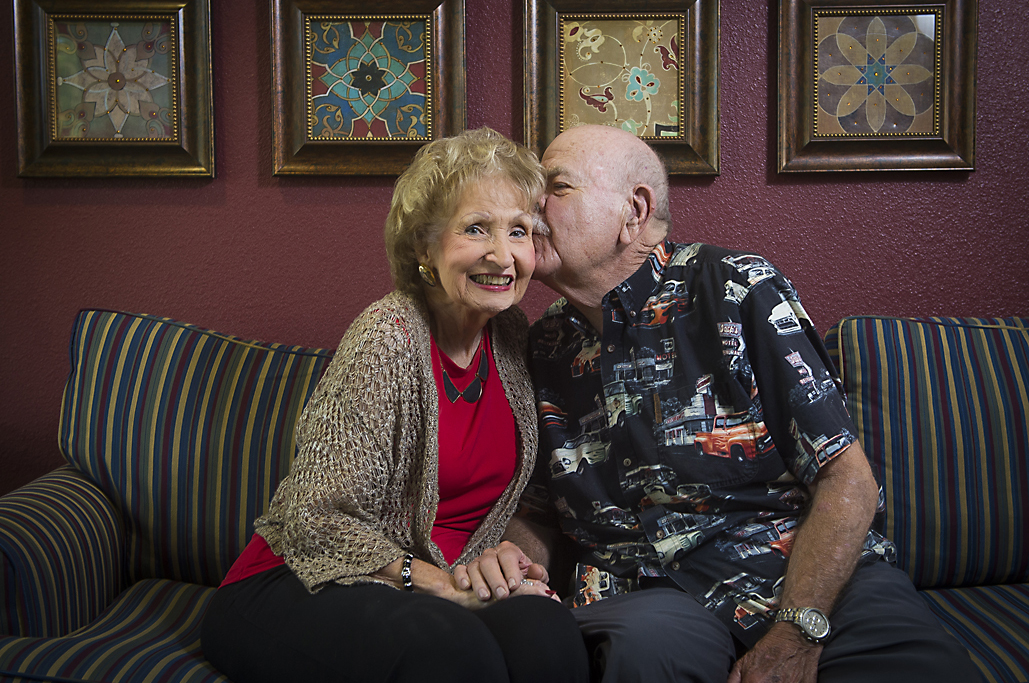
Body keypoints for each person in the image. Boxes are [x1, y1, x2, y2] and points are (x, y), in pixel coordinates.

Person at [456, 124, 983, 683]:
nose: (531, 206)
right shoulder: (544, 344)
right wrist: (516, 560)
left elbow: (846, 480)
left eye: (555, 187)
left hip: (795, 572)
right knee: (642, 655)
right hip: (645, 592)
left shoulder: (737, 290)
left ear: (633, 212)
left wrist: (797, 630)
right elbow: (538, 510)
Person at [201, 127, 589, 683]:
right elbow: (315, 519)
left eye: (521, 232)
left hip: (439, 589)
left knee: (549, 638)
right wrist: (442, 584)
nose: (502, 256)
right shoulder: (388, 338)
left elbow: (513, 504)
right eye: (476, 228)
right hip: (297, 582)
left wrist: (505, 565)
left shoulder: (510, 335)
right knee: (450, 651)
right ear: (424, 248)